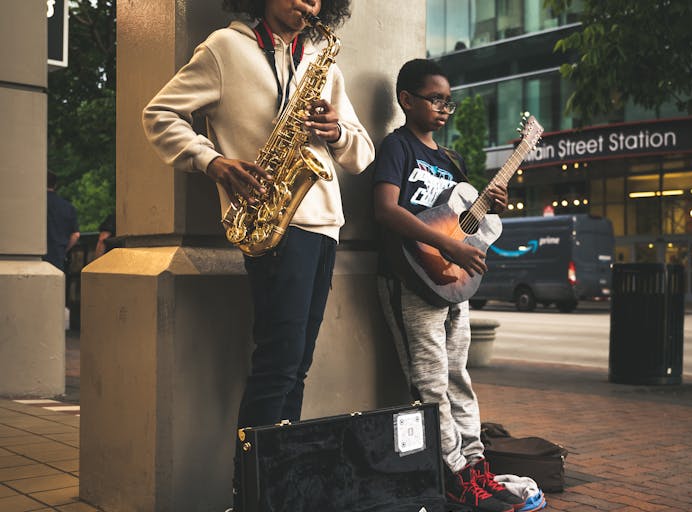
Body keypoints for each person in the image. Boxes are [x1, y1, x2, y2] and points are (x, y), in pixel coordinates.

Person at [141, 0, 374, 508]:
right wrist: (213, 162)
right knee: (278, 367)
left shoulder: (322, 59)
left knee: (297, 367)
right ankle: (250, 493)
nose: (305, 5)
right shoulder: (226, 48)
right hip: (273, 225)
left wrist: (336, 132)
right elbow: (158, 114)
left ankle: (277, 488)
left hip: (324, 226)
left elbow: (363, 152)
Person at [372, 59, 521, 512]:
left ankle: (476, 468)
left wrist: (491, 203)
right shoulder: (397, 148)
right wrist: (446, 246)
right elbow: (385, 210)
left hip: (454, 284)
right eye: (436, 99)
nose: (444, 108)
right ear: (407, 100)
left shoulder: (450, 160)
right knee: (431, 384)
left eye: (448, 102)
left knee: (459, 377)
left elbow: (464, 222)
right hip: (410, 280)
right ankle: (452, 475)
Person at [44, 171, 80, 272]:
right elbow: (76, 235)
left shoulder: (36, 203)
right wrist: (63, 250)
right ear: (55, 185)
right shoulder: (68, 207)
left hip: (38, 257)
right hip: (58, 256)